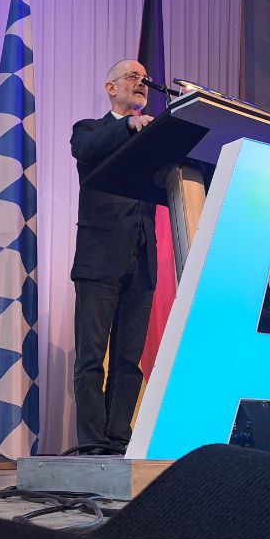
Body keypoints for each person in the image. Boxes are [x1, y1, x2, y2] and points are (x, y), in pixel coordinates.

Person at [69, 59, 157, 453]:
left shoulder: (152, 136)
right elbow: (86, 149)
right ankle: (92, 442)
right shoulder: (89, 129)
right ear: (111, 88)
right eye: (133, 77)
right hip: (99, 260)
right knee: (91, 357)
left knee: (128, 360)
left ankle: (119, 439)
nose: (142, 83)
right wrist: (128, 126)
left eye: (145, 79)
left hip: (142, 261)